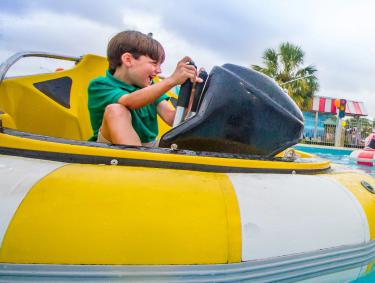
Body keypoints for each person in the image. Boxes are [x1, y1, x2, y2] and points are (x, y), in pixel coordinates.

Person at [88, 30, 201, 147]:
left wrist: (192, 92)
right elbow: (129, 101)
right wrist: (172, 80)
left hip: (148, 147)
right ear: (128, 60)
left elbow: (172, 118)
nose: (159, 70)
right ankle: (136, 161)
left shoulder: (150, 88)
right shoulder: (100, 85)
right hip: (109, 146)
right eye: (154, 63)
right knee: (116, 110)